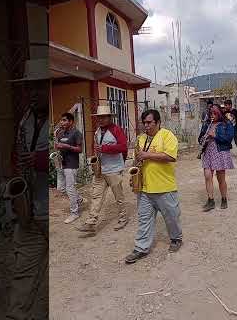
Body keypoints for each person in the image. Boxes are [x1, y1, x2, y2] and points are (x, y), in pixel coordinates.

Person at [6, 60, 49, 320]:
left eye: (39, 87)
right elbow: (17, 157)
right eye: (29, 88)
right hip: (30, 211)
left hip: (50, 210)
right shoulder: (25, 121)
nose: (32, 93)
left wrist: (39, 160)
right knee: (23, 271)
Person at [125, 109, 183, 264]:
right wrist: (133, 175)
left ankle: (176, 239)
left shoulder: (167, 135)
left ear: (158, 122)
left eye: (150, 122)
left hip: (165, 187)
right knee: (144, 219)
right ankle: (141, 248)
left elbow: (171, 157)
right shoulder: (140, 139)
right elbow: (136, 159)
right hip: (144, 188)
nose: (146, 125)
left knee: (172, 218)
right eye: (144, 122)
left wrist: (148, 155)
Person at [78, 105, 128, 236]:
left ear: (110, 117)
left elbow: (123, 147)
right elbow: (97, 147)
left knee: (118, 196)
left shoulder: (116, 130)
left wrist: (105, 149)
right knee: (96, 196)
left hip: (114, 169)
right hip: (100, 169)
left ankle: (123, 218)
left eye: (104, 117)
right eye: (99, 117)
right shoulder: (97, 131)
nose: (101, 120)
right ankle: (91, 222)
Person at [199, 105, 235, 212]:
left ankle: (224, 199)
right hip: (208, 152)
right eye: (211, 113)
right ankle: (211, 200)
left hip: (220, 152)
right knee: (207, 175)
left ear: (219, 113)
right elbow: (199, 138)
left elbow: (228, 138)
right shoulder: (206, 124)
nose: (212, 116)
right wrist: (203, 139)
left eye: (214, 113)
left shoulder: (226, 124)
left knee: (221, 178)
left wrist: (215, 136)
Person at [54, 112, 84, 224]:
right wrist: (56, 142)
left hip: (71, 164)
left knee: (70, 188)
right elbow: (57, 146)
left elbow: (80, 150)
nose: (62, 122)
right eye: (61, 120)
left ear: (71, 121)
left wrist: (67, 146)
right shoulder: (60, 133)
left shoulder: (76, 133)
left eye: (64, 120)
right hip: (62, 163)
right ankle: (79, 199)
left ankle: (74, 213)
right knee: (61, 188)